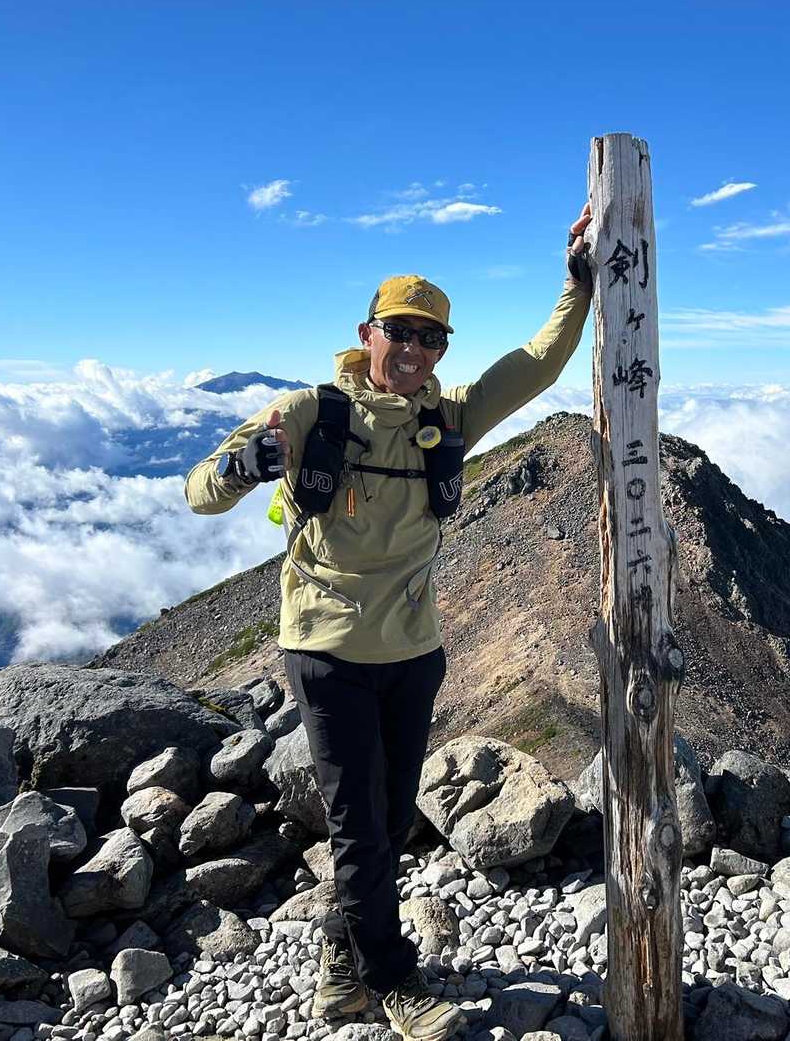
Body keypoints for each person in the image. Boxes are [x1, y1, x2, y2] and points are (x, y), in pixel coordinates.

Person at [185, 202, 594, 1040]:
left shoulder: (448, 419)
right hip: (326, 652)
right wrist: (241, 467)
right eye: (399, 331)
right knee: (359, 829)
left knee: (389, 819)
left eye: (431, 338)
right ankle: (392, 979)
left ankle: (340, 973)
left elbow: (537, 364)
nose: (414, 349)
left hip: (414, 652)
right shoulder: (310, 412)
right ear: (366, 334)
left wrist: (577, 285)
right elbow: (200, 491)